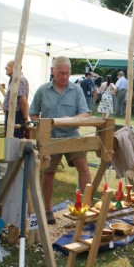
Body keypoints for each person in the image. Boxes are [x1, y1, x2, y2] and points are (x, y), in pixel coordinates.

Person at [29, 56, 91, 225]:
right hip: (51, 138)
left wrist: (70, 120)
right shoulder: (43, 90)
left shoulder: (76, 90)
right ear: (52, 71)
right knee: (48, 173)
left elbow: (85, 113)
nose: (64, 77)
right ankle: (48, 209)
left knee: (84, 168)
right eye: (60, 73)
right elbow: (33, 113)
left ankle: (86, 207)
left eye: (66, 73)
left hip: (71, 135)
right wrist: (40, 126)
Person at [3, 60, 29, 138]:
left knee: (14, 141)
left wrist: (25, 118)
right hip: (13, 115)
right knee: (11, 141)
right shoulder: (15, 79)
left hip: (16, 116)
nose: (5, 68)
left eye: (8, 65)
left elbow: (23, 100)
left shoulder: (19, 80)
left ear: (15, 67)